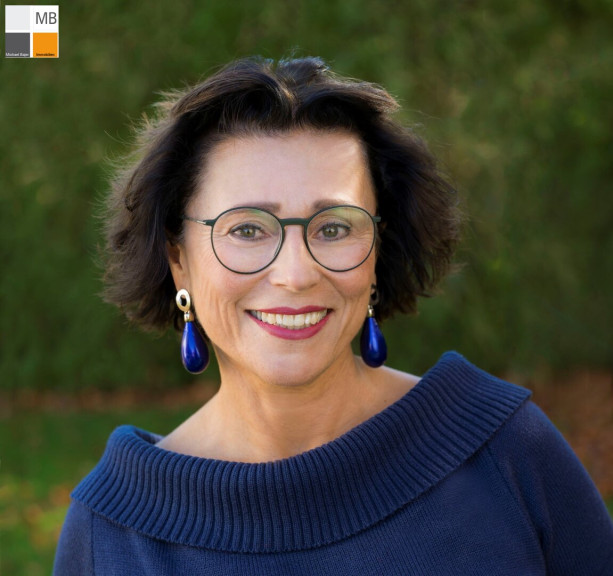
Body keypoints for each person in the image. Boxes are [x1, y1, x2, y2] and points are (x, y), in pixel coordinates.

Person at [53, 56, 613, 575]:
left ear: (378, 253)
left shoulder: (506, 452)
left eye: (335, 227)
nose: (296, 274)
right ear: (179, 260)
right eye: (247, 229)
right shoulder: (110, 534)